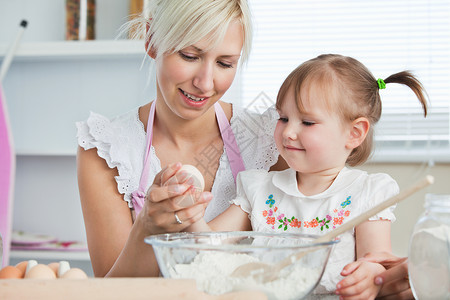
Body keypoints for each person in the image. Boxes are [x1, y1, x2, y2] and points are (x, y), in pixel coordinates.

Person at [186, 54, 428, 299]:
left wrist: (370, 276)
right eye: (283, 118)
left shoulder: (367, 193)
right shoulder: (259, 189)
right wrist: (192, 214)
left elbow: (376, 260)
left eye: (308, 122)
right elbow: (208, 249)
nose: (288, 132)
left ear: (354, 133)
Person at [76, 0, 285, 278]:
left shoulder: (270, 140)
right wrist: (147, 228)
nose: (205, 82)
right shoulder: (105, 149)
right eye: (189, 56)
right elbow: (111, 290)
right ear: (151, 41)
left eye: (225, 63)